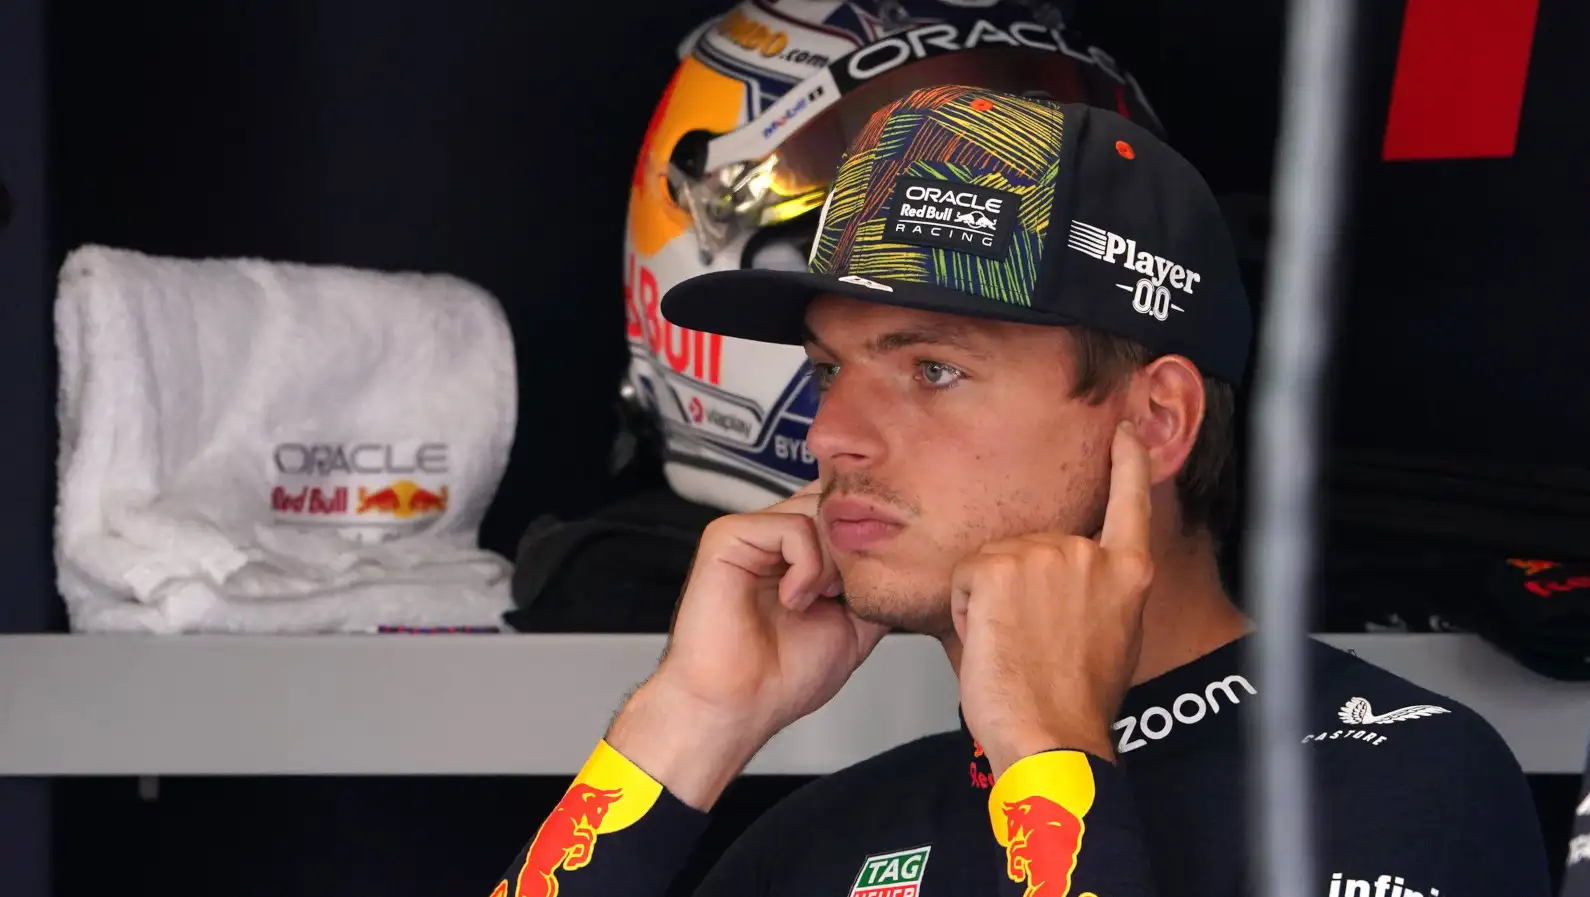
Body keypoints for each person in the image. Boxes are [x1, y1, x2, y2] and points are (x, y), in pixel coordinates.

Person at [489, 88, 1552, 897]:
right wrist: (683, 729)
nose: (834, 437)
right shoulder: (815, 840)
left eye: (932, 370)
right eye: (827, 370)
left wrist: (1050, 761)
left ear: (1156, 422)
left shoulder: (1397, 780)